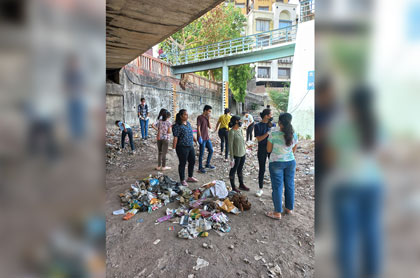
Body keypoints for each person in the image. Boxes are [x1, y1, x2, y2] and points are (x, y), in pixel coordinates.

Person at [266, 113, 298, 220]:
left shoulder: (273, 134)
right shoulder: (294, 134)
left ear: (279, 122)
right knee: (290, 185)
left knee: (277, 187)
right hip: (290, 162)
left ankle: (277, 212)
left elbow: (268, 150)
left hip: (276, 163)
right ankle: (289, 208)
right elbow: (294, 150)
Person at [172, 109, 199, 186]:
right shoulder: (177, 126)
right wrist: (173, 149)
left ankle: (190, 177)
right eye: (185, 115)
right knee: (182, 163)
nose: (187, 116)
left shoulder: (188, 123)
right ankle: (182, 179)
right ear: (181, 116)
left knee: (192, 161)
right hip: (182, 147)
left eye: (187, 114)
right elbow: (175, 138)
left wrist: (195, 140)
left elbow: (191, 133)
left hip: (190, 146)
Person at [254, 109, 275, 197]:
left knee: (274, 169)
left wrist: (272, 129)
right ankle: (260, 189)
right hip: (262, 148)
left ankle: (274, 190)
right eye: (270, 114)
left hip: (272, 149)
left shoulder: (273, 125)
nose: (271, 116)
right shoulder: (257, 126)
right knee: (262, 168)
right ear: (266, 116)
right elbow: (259, 139)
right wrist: (267, 133)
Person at [228, 115, 250, 192]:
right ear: (236, 122)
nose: (241, 122)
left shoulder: (240, 130)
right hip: (236, 155)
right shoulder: (231, 132)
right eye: (240, 120)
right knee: (233, 170)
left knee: (240, 170)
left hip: (242, 153)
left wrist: (245, 150)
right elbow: (230, 145)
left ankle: (241, 184)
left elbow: (242, 142)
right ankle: (233, 186)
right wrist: (231, 158)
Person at [197, 105, 215, 173]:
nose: (210, 112)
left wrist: (208, 119)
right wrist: (200, 136)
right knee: (201, 153)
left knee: (211, 150)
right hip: (202, 138)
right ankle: (200, 167)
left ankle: (207, 164)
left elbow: (210, 127)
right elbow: (198, 127)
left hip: (207, 138)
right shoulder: (199, 117)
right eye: (209, 111)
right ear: (205, 110)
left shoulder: (206, 118)